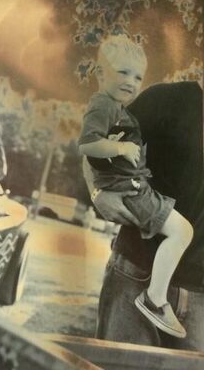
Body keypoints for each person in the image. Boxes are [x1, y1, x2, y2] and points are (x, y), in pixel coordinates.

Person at [78, 35, 193, 338]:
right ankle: (155, 300)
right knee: (117, 361)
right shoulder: (165, 99)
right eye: (124, 73)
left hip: (201, 293)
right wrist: (98, 193)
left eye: (136, 76)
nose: (131, 81)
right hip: (135, 270)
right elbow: (91, 146)